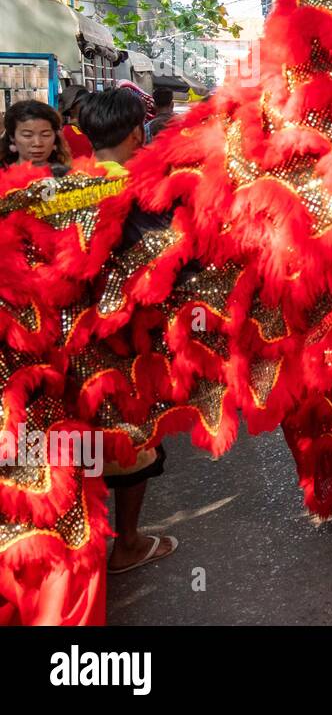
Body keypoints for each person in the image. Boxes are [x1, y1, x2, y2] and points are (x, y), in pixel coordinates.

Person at [78, 89, 180, 574]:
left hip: (67, 345)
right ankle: (128, 545)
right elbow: (174, 264)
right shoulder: (146, 193)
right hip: (127, 345)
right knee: (133, 445)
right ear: (139, 133)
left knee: (77, 444)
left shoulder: (64, 186)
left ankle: (82, 546)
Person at [2, 100, 71, 168]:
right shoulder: (2, 176)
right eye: (27, 135)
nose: (37, 143)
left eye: (45, 135)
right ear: (12, 137)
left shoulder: (69, 176)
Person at [57, 84, 94, 159]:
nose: (88, 105)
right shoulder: (69, 132)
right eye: (83, 102)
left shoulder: (85, 128)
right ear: (71, 109)